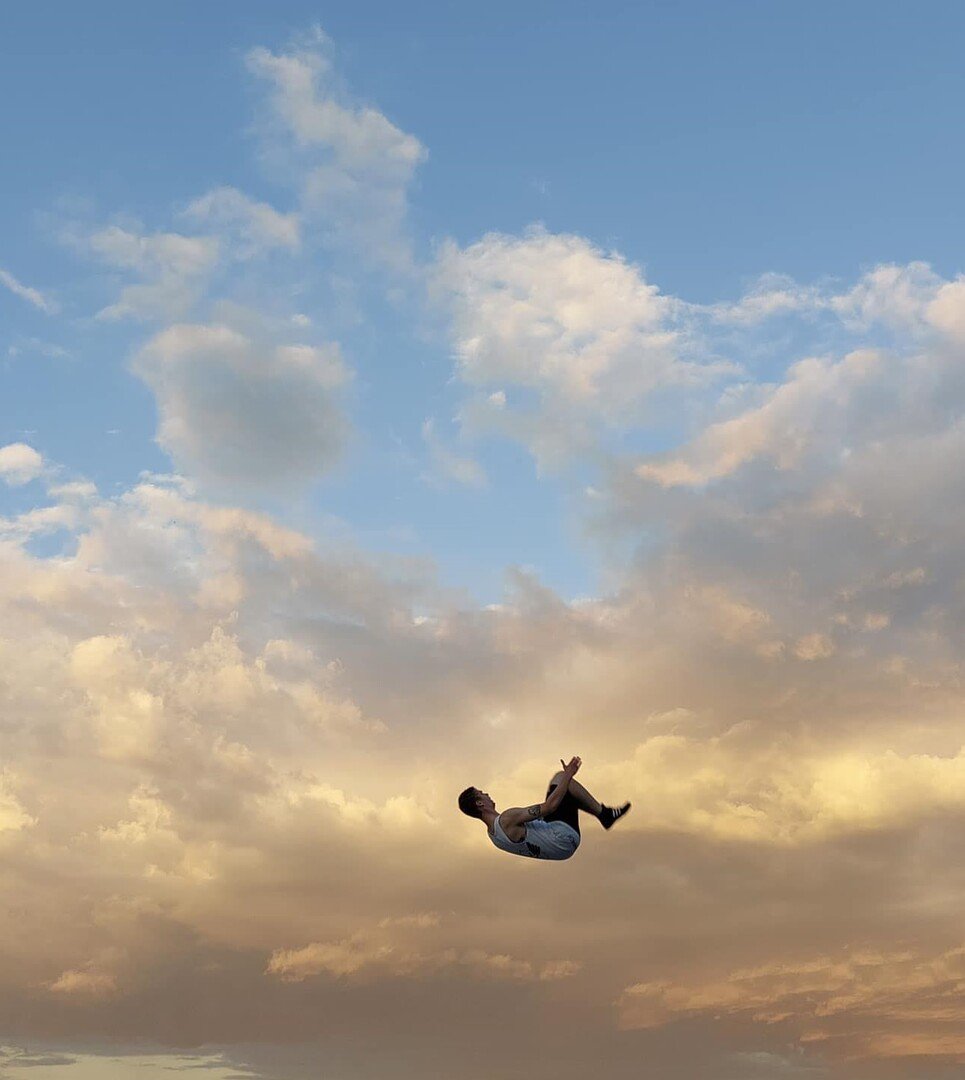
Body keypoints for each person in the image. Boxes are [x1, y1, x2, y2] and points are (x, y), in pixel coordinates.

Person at [458, 756, 631, 861]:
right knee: (561, 778)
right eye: (482, 793)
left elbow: (531, 835)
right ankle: (605, 814)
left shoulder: (494, 837)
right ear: (479, 803)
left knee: (558, 787)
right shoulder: (506, 818)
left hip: (562, 851)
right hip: (564, 836)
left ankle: (604, 815)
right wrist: (569, 774)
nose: (487, 793)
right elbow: (550, 807)